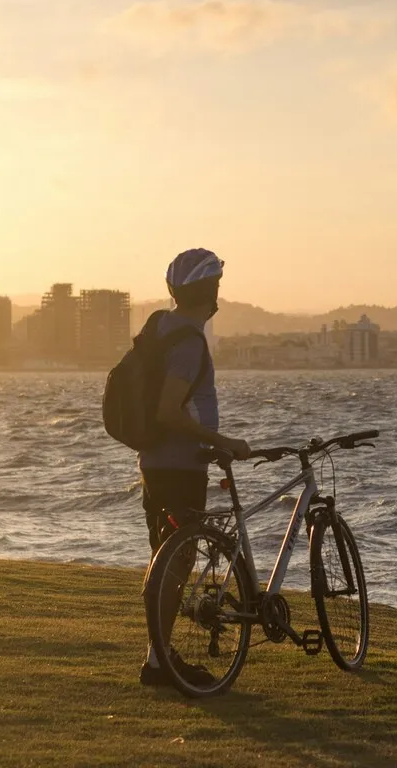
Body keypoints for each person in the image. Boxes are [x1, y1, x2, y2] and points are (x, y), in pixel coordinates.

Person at [138, 247, 251, 687]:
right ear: (211, 290)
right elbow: (169, 411)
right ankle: (158, 664)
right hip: (180, 467)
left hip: (155, 464)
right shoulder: (187, 342)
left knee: (167, 560)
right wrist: (223, 442)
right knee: (178, 561)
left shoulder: (162, 328)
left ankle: (157, 658)